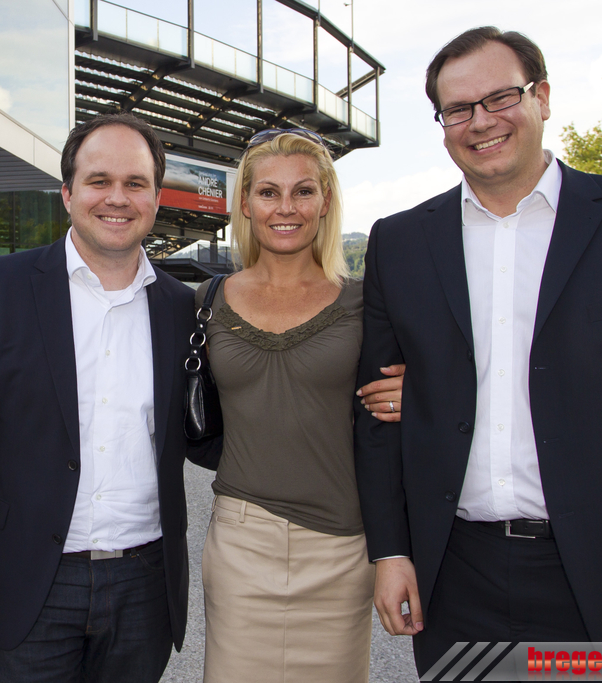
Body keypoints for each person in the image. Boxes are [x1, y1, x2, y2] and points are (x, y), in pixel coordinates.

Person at [354, 26, 602, 675]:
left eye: (500, 97)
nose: (481, 121)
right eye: (458, 109)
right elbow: (376, 417)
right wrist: (390, 550)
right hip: (457, 576)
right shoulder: (399, 242)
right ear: (442, 125)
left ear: (541, 97)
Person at [0, 112, 221, 681]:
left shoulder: (184, 309)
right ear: (67, 193)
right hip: (27, 582)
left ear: (157, 198)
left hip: (144, 586)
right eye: (99, 181)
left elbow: (216, 429)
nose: (117, 198)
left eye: (135, 183)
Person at [196, 129, 403, 683]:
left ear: (325, 201)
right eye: (268, 192)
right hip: (241, 543)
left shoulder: (367, 304)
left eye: (303, 191)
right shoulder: (205, 303)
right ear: (245, 203)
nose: (285, 208)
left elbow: (455, 375)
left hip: (342, 549)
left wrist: (424, 393)